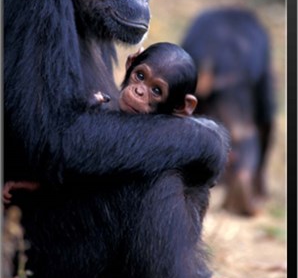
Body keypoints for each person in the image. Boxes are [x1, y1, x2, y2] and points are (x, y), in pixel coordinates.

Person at [3, 42, 198, 205]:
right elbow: (74, 154)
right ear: (130, 63)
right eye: (139, 76)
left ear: (182, 107)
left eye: (156, 91)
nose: (139, 91)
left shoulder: (161, 143)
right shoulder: (103, 101)